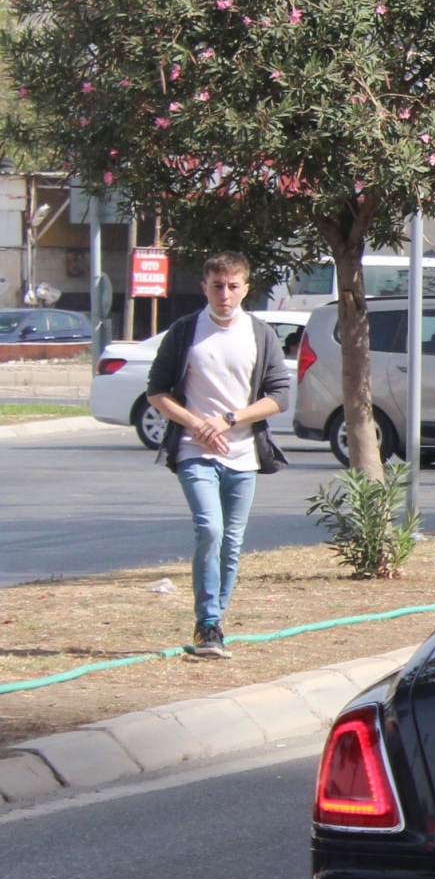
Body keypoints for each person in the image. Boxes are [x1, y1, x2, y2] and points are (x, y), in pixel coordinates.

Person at [144, 253, 292, 659]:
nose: (224, 294)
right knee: (209, 528)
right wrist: (196, 425)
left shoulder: (260, 334)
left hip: (243, 453)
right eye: (216, 285)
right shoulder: (185, 331)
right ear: (205, 287)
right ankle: (207, 622)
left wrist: (230, 419)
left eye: (232, 285)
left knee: (231, 541)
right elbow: (156, 391)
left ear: (245, 287)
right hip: (195, 450)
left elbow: (279, 396)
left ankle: (216, 622)